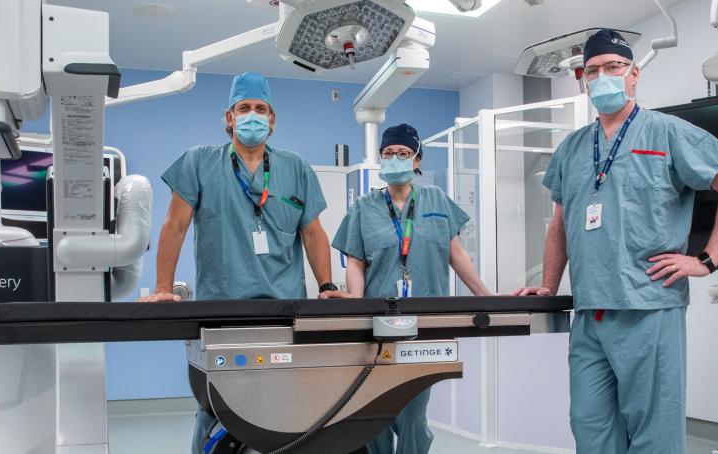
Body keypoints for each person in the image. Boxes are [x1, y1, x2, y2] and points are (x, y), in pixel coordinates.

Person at [512, 29, 718, 454]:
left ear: (633, 75)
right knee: (590, 427)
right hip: (591, 311)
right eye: (593, 70)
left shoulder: (668, 132)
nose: (602, 77)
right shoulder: (572, 148)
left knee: (654, 433)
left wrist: (706, 260)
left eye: (613, 68)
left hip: (648, 307)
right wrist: (548, 284)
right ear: (583, 81)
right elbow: (560, 224)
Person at [137, 72, 341, 453]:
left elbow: (312, 233)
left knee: (283, 406)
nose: (253, 116)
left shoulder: (295, 168)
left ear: (273, 120)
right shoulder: (199, 161)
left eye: (260, 109)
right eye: (244, 108)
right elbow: (174, 225)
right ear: (229, 117)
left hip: (283, 308)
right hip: (223, 307)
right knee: (216, 405)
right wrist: (163, 287)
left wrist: (327, 286)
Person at [332, 123, 492, 454]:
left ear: (417, 160)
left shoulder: (436, 200)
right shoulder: (364, 206)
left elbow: (457, 255)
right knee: (375, 411)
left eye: (403, 154)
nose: (395, 159)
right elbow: (356, 263)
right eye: (388, 154)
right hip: (378, 325)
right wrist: (357, 308)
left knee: (413, 413)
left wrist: (488, 298)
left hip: (426, 324)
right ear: (380, 159)